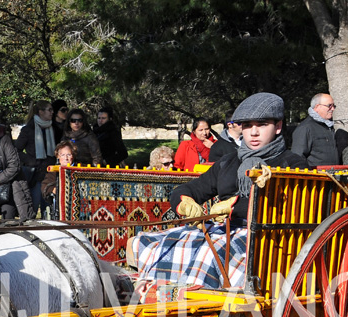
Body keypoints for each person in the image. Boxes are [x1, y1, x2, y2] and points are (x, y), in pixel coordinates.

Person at [132, 92, 307, 289]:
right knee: (164, 243)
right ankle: (163, 301)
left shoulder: (293, 165)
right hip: (224, 231)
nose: (254, 132)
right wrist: (184, 201)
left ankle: (194, 306)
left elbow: (293, 210)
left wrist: (234, 206)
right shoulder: (228, 162)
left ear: (278, 127)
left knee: (208, 253)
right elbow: (192, 188)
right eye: (248, 125)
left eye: (262, 124)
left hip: (267, 240)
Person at [15, 100, 58, 216]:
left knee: (49, 210)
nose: (52, 112)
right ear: (41, 112)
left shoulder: (51, 128)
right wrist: (30, 161)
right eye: (49, 110)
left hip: (49, 174)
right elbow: (16, 150)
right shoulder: (28, 130)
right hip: (35, 174)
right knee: (33, 207)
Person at [291, 92, 340, 167]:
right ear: (317, 107)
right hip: (315, 177)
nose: (332, 109)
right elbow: (297, 158)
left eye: (333, 106)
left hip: (331, 176)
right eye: (329, 106)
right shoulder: (305, 128)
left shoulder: (328, 127)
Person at [41, 140, 77, 218]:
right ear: (58, 156)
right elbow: (45, 186)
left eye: (69, 155)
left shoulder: (79, 169)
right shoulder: (53, 171)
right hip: (61, 207)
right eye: (63, 155)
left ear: (73, 156)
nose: (66, 158)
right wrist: (53, 190)